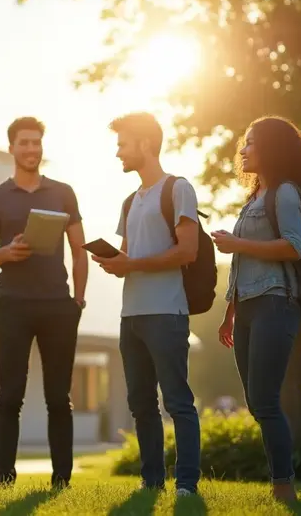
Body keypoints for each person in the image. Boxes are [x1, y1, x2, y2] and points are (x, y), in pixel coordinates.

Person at [212, 116, 301, 502]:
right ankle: (281, 482)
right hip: (247, 309)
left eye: (250, 143)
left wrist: (236, 245)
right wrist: (229, 313)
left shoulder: (286, 193)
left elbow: (293, 247)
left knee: (265, 400)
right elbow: (244, 264)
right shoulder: (253, 200)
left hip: (277, 303)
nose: (242, 150)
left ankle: (283, 487)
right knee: (256, 402)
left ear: (271, 148)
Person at [92, 112, 201, 495]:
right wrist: (114, 262)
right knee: (140, 403)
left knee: (177, 401)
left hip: (166, 313)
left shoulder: (178, 188)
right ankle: (152, 481)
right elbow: (128, 256)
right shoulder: (129, 200)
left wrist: (130, 263)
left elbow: (187, 251)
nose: (118, 152)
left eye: (123, 144)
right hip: (131, 315)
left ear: (145, 144)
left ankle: (186, 483)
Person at [0, 116, 87, 489]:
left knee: (59, 397)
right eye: (24, 143)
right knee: (10, 397)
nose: (31, 149)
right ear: (11, 147)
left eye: (36, 142)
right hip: (13, 305)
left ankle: (62, 481)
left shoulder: (63, 192)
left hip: (58, 305)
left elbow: (79, 249)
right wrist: (6, 252)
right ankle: (4, 479)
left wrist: (79, 301)